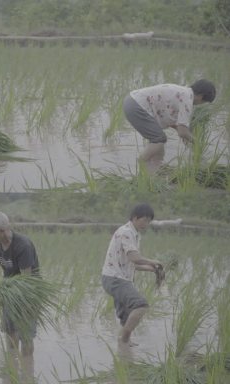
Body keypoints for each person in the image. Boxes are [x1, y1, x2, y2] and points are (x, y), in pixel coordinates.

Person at [101, 203, 163, 348]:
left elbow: (132, 264)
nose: (146, 224)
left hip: (119, 278)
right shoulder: (126, 232)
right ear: (135, 217)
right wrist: (154, 261)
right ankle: (124, 340)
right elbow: (135, 257)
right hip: (116, 279)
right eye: (144, 220)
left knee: (126, 314)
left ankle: (123, 349)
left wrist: (152, 269)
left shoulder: (134, 233)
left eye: (149, 221)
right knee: (140, 305)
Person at [123, 79, 216, 173]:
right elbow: (182, 132)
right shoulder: (187, 100)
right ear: (201, 97)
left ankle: (156, 167)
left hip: (132, 100)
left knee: (159, 138)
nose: (200, 104)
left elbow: (179, 127)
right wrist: (197, 143)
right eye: (203, 102)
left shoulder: (183, 92)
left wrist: (194, 150)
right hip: (136, 105)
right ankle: (142, 162)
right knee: (158, 139)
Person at [0, 211, 40, 356]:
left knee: (25, 336)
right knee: (10, 331)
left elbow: (25, 280)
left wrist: (1, 289)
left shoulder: (23, 245)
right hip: (9, 294)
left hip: (28, 295)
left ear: (2, 231)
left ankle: (27, 370)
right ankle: (13, 364)